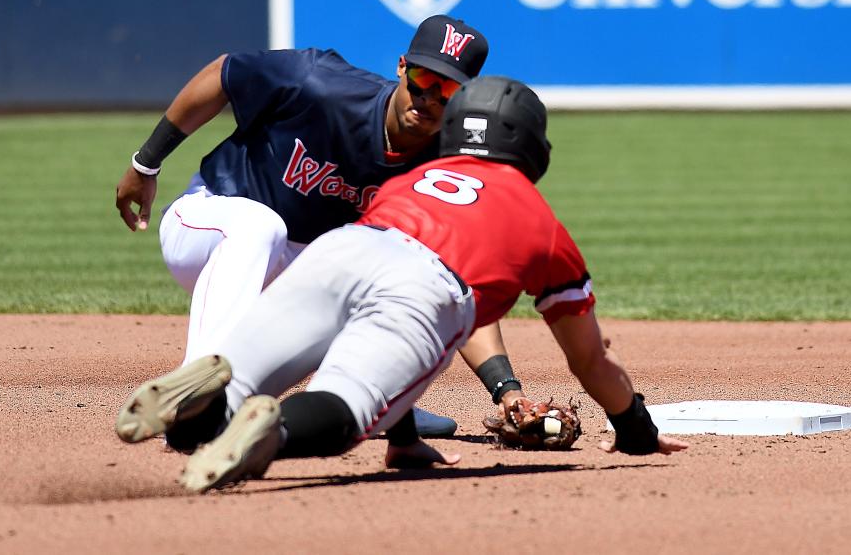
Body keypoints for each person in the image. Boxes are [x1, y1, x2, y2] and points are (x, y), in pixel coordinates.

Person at [114, 76, 689, 493]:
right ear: (531, 147)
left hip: (338, 250)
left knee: (217, 411)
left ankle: (210, 401)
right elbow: (589, 363)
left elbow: (377, 275)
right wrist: (634, 427)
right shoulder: (543, 226)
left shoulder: (416, 177)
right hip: (426, 290)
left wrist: (406, 435)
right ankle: (274, 435)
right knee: (345, 405)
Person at [113, 15, 528, 437]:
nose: (428, 97)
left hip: (296, 275)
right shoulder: (320, 83)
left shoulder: (442, 167)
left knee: (401, 280)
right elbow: (224, 72)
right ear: (402, 67)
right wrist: (146, 162)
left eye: (448, 90)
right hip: (209, 225)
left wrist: (508, 392)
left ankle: (376, 401)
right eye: (423, 77)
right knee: (261, 227)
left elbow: (454, 281)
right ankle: (195, 397)